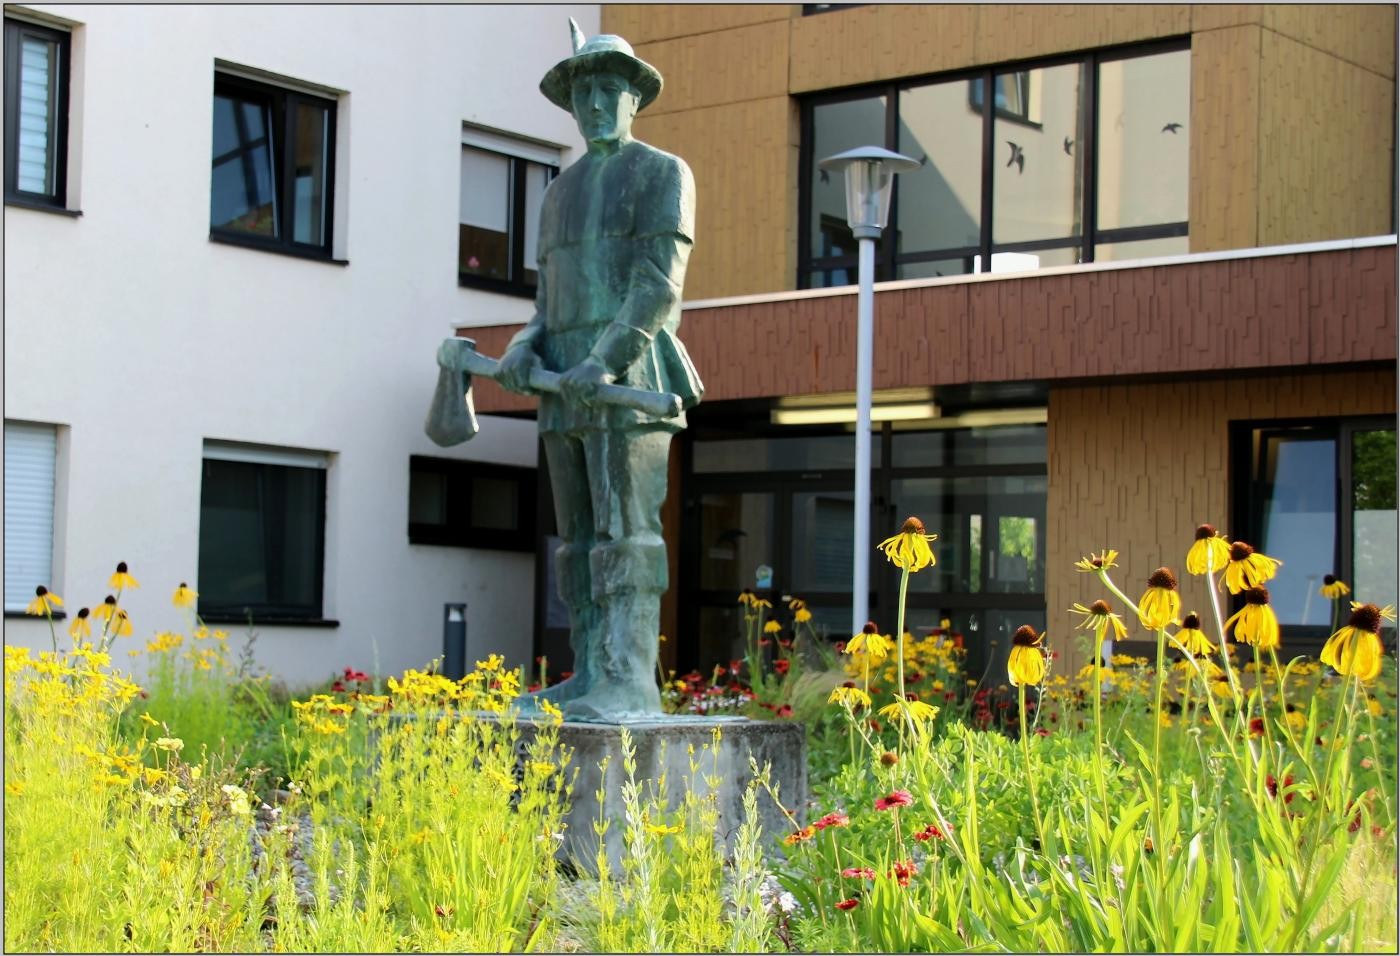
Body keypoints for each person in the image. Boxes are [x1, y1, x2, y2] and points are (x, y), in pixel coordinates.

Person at [493, 24, 702, 720]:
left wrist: (598, 360)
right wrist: (526, 348)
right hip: (563, 384)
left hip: (626, 374)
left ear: (635, 98)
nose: (595, 104)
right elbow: (546, 301)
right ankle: (589, 673)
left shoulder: (663, 173)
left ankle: (629, 678)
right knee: (577, 537)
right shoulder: (559, 193)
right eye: (584, 93)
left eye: (609, 89)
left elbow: (656, 286)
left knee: (627, 531)